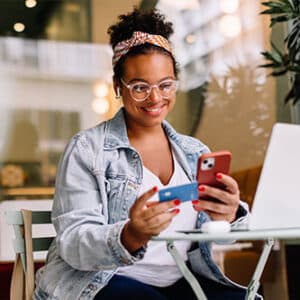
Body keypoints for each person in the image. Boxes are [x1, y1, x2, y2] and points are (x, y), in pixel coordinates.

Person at [33, 8, 261, 300]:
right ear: (118, 86)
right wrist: (130, 235)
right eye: (140, 87)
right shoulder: (87, 149)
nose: (155, 98)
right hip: (102, 281)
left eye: (165, 85)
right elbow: (74, 242)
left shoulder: (194, 153)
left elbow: (217, 238)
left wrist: (229, 215)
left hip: (182, 280)